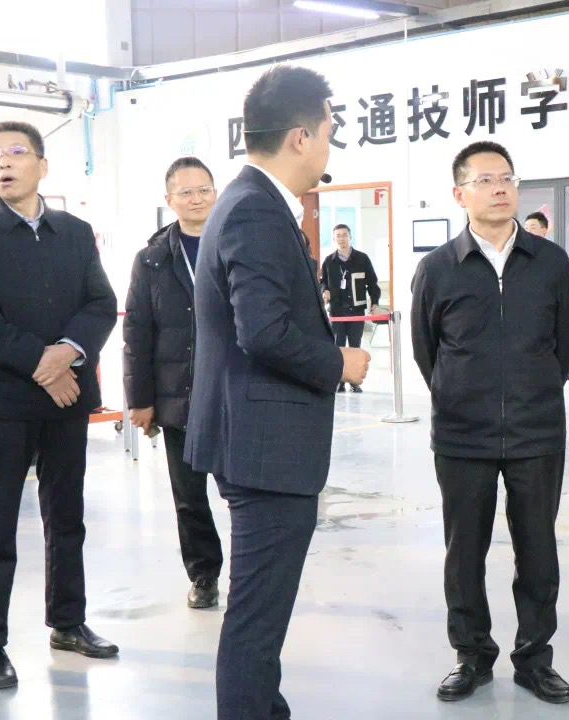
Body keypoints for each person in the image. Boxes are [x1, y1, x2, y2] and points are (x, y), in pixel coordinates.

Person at [184, 65, 370, 720]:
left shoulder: (252, 204)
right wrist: (339, 361)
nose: (329, 145)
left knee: (260, 616)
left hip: (258, 441)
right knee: (255, 621)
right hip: (265, 449)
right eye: (328, 131)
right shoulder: (255, 211)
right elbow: (263, 332)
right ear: (300, 137)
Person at [0, 121, 119, 690]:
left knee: (66, 517)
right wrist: (43, 363)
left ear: (43, 165)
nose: (4, 162)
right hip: (1, 402)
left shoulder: (75, 232)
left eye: (17, 152)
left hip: (66, 399)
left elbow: (100, 303)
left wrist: (68, 352)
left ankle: (68, 622)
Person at [410, 141, 569, 705]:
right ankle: (472, 656)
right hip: (463, 434)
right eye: (484, 180)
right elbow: (427, 352)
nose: (500, 188)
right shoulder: (437, 268)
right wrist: (461, 395)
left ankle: (534, 659)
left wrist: (532, 390)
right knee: (464, 553)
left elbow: (562, 345)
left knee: (538, 551)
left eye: (506, 177)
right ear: (460, 194)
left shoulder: (550, 262)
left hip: (537, 431)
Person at [123, 156, 223, 609]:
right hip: (179, 396)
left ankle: (255, 576)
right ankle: (203, 575)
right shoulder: (152, 260)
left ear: (215, 193)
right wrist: (140, 400)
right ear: (170, 200)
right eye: (185, 192)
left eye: (203, 190)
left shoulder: (238, 244)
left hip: (235, 393)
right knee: (189, 496)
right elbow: (137, 333)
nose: (196, 199)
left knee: (245, 493)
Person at [319, 223, 381, 393]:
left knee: (355, 346)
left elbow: (372, 283)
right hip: (337, 311)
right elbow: (322, 282)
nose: (341, 238)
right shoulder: (329, 261)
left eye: (344, 235)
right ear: (334, 239)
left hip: (356, 311)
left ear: (350, 237)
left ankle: (355, 382)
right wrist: (324, 291)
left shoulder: (362, 259)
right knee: (338, 346)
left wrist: (374, 302)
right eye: (338, 236)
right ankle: (339, 381)